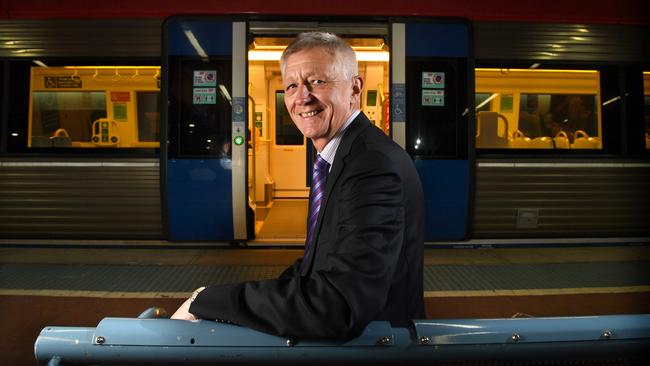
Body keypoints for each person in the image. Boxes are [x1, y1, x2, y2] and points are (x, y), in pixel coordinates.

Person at [171, 32, 425, 339]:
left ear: (355, 89)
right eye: (292, 85)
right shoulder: (344, 157)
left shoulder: (371, 166)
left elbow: (336, 305)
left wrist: (207, 300)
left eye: (318, 81)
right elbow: (317, 264)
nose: (301, 97)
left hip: (375, 347)